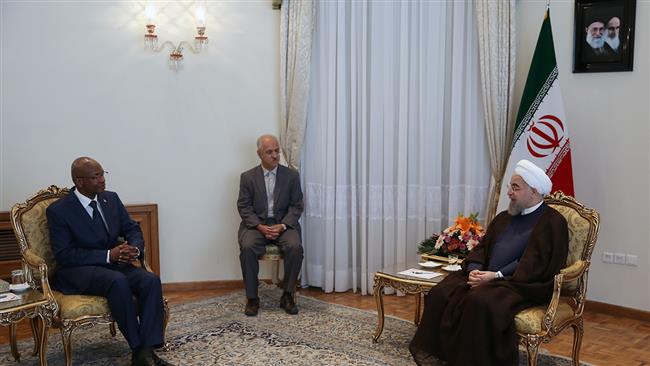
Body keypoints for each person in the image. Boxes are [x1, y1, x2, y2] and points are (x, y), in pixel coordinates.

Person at [410, 159, 569, 366]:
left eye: (515, 188)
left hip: (520, 283)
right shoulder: (504, 217)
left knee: (480, 302)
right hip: (485, 276)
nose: (509, 193)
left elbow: (536, 263)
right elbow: (482, 248)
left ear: (534, 191)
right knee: (441, 292)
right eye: (510, 187)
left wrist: (496, 276)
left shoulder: (552, 222)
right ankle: (447, 356)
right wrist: (474, 271)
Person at [46, 157, 165, 366]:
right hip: (79, 270)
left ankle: (146, 351)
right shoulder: (59, 210)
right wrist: (109, 255)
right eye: (96, 176)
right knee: (117, 280)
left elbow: (132, 228)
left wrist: (134, 248)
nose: (102, 180)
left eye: (103, 174)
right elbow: (65, 254)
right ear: (80, 181)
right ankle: (138, 348)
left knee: (150, 281)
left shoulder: (110, 198)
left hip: (113, 265)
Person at [237, 134, 304, 316]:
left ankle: (288, 295)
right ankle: (252, 298)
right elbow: (244, 206)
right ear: (259, 154)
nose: (274, 155)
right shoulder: (248, 177)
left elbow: (297, 205)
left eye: (277, 151)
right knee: (248, 247)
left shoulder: (291, 176)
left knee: (295, 247)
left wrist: (283, 226)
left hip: (283, 225)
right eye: (269, 152)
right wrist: (259, 226)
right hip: (256, 226)